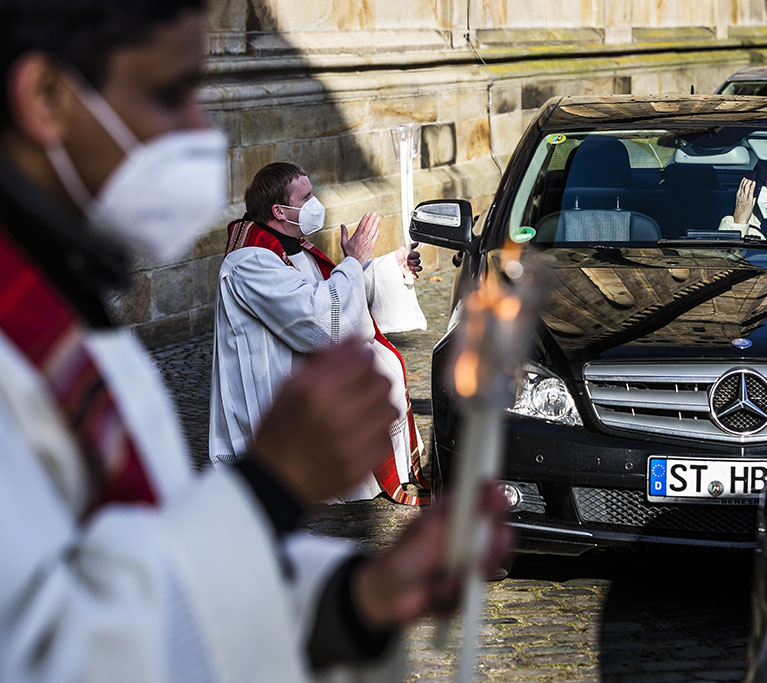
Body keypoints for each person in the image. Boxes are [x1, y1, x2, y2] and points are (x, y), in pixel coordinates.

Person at [0, 1, 507, 680]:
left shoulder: (69, 305)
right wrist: (269, 485)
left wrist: (357, 598)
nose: (201, 132)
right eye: (172, 93)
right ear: (46, 96)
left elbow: (143, 570)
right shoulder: (26, 341)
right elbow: (58, 653)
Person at [210, 161, 428, 505]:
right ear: (280, 211)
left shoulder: (292, 247)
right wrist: (353, 260)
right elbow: (319, 320)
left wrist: (387, 268)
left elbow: (330, 292)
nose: (316, 203)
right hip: (277, 394)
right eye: (306, 196)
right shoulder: (250, 262)